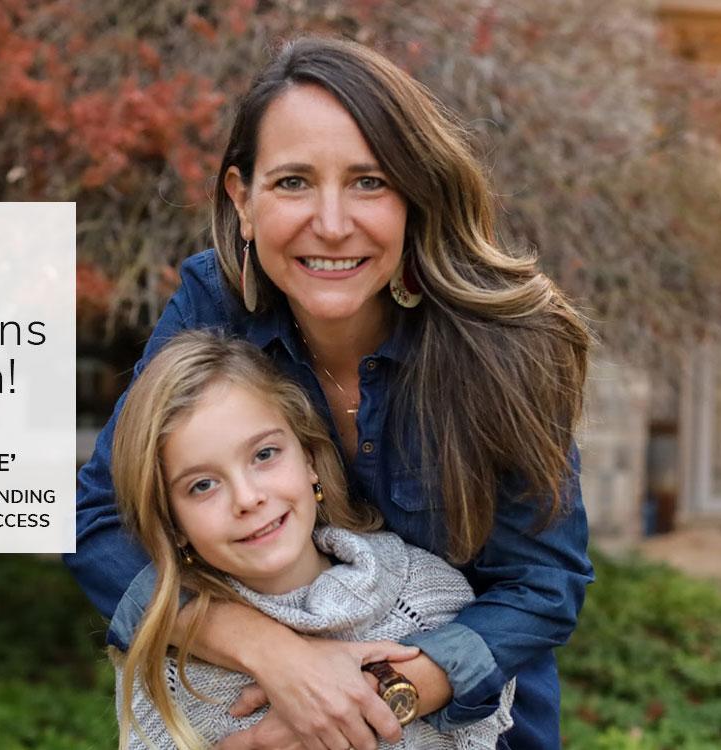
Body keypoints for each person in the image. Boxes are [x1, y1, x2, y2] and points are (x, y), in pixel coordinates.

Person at [67, 35, 593, 750]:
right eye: (292, 182)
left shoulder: (506, 345)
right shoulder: (213, 309)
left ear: (415, 195)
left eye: (369, 181)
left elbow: (542, 585)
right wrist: (276, 658)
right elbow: (95, 519)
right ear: (242, 201)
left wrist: (367, 703)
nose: (334, 222)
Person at [109, 331, 517, 749]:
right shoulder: (169, 660)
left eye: (264, 455)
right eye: (203, 485)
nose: (248, 498)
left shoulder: (428, 599)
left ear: (309, 460)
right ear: (172, 523)